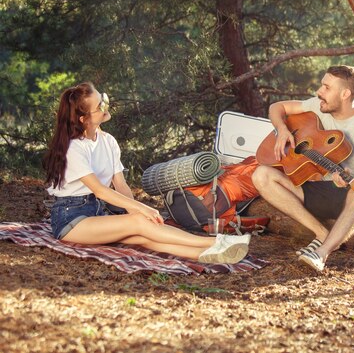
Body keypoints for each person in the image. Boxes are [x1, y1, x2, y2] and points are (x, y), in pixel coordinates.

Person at [43, 82, 250, 264]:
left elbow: (121, 185)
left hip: (96, 213)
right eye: (100, 106)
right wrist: (141, 211)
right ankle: (216, 242)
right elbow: (100, 191)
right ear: (83, 119)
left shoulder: (108, 141)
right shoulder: (75, 148)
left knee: (143, 235)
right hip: (71, 220)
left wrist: (135, 211)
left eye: (103, 99)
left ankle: (209, 254)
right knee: (140, 222)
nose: (106, 106)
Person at [252, 65, 354, 272]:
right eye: (321, 85)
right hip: (321, 191)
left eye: (326, 87)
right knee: (261, 175)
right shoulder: (318, 106)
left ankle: (321, 253)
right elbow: (277, 107)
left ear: (345, 94)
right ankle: (321, 233)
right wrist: (281, 130)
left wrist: (350, 179)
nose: (319, 92)